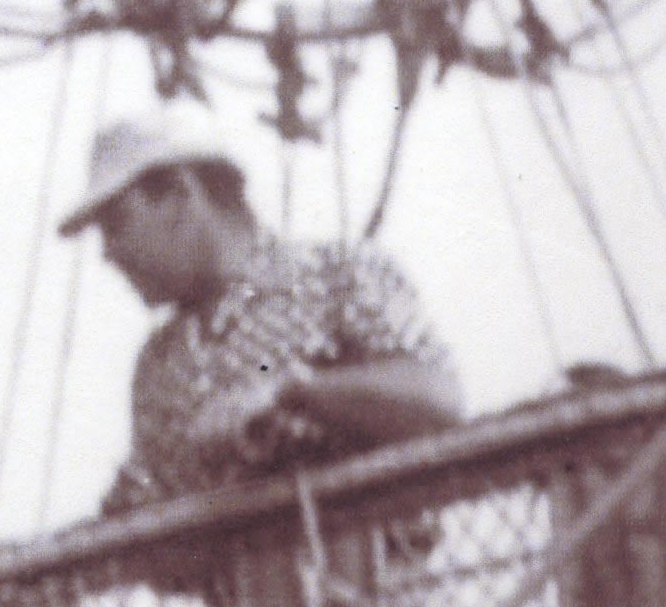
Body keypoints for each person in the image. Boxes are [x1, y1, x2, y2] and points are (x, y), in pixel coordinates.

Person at [65, 107, 459, 516]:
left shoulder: (339, 276)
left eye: (116, 223)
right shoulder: (158, 366)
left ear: (180, 195)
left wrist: (292, 393)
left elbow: (439, 400)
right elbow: (157, 526)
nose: (108, 252)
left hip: (364, 551)